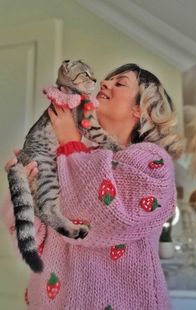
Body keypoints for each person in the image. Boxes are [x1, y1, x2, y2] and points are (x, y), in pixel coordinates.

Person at [3, 63, 183, 310]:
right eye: (107, 80)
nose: (105, 83)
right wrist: (23, 189)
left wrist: (70, 145)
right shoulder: (66, 159)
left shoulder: (153, 162)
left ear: (140, 109)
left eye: (119, 83)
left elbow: (102, 215)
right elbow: (34, 241)